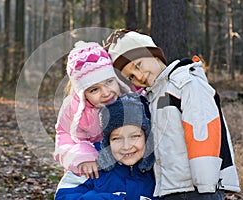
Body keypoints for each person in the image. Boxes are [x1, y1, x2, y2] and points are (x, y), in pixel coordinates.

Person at [103, 30, 241, 199]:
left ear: (153, 54)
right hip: (171, 188)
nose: (139, 76)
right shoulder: (153, 96)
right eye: (131, 76)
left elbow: (202, 131)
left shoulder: (185, 84)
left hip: (197, 189)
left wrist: (205, 185)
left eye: (138, 65)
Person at [55, 93, 158, 200]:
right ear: (107, 141)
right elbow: (64, 195)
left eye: (135, 136)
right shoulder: (90, 162)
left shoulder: (158, 169)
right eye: (117, 138)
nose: (126, 146)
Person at [54, 41, 131, 179]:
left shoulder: (131, 100)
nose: (106, 93)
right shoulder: (73, 108)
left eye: (109, 82)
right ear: (83, 93)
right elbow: (63, 137)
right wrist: (82, 156)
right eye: (94, 89)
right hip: (90, 168)